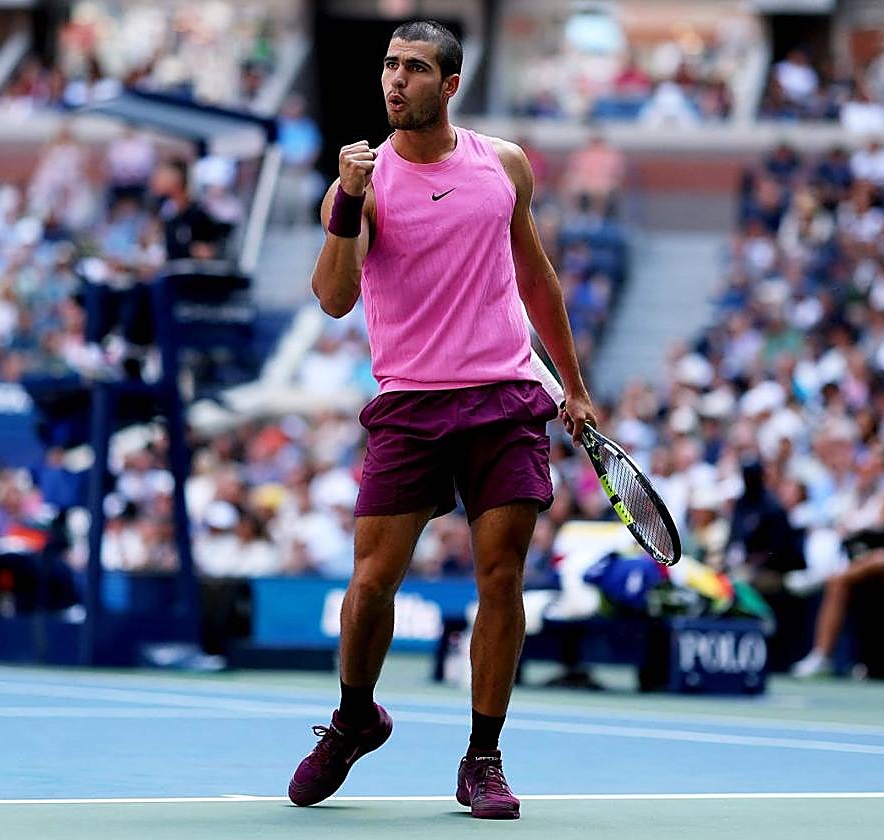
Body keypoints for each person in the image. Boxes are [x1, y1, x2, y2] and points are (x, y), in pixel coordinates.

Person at [286, 20, 595, 821]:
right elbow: (333, 299)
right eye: (389, 66)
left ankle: (483, 759)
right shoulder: (361, 182)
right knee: (370, 586)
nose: (395, 80)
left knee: (501, 575)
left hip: (503, 396)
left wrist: (575, 384)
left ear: (449, 85)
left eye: (415, 68)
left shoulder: (504, 165)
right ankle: (356, 717)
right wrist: (348, 203)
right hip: (410, 405)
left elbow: (537, 277)